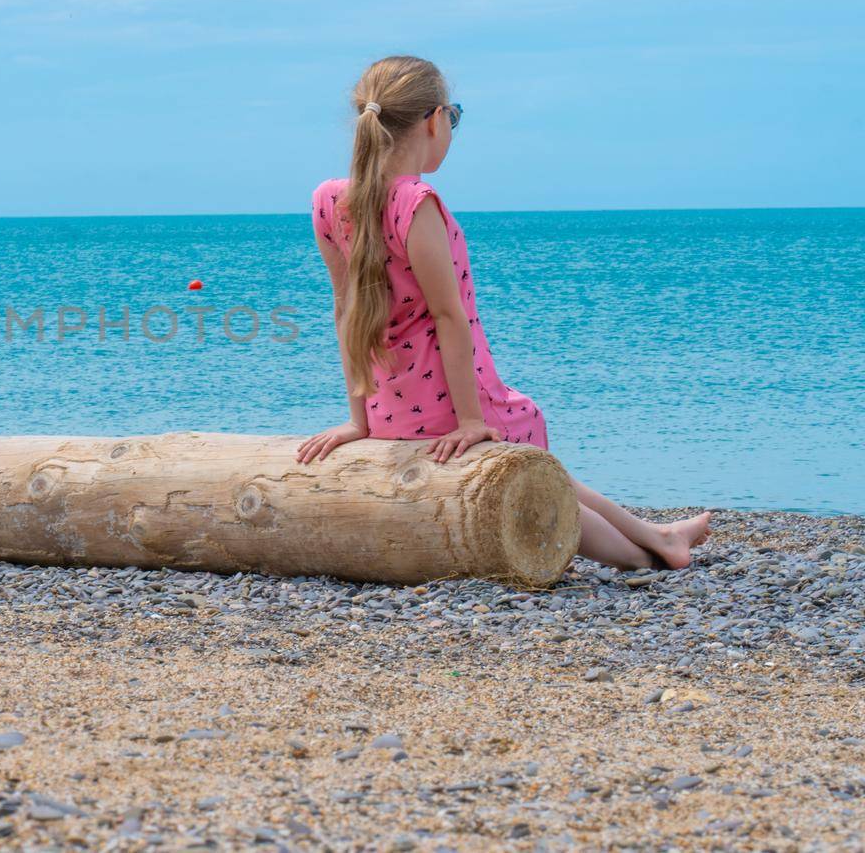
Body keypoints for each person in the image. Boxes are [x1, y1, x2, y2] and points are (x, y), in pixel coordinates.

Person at [295, 55, 711, 571]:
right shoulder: (416, 202)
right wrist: (470, 420)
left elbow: (346, 312)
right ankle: (650, 556)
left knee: (544, 465)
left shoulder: (328, 200)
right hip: (449, 404)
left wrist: (359, 420)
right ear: (433, 119)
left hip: (387, 408)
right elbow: (448, 318)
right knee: (528, 450)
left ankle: (660, 535)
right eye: (454, 117)